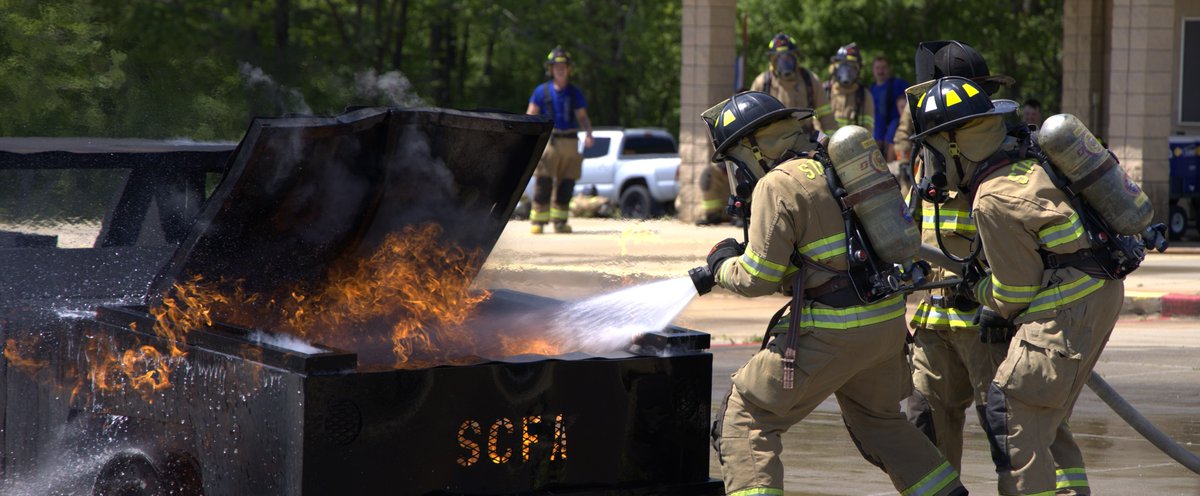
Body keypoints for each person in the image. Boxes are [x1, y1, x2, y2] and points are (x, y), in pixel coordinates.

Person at [694, 91, 965, 496]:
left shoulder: (777, 184)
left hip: (832, 330)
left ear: (755, 147)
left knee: (746, 418)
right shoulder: (832, 163)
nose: (739, 174)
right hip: (885, 325)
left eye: (737, 161)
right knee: (880, 422)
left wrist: (721, 264)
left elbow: (757, 278)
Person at [909, 76, 1126, 495]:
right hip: (1093, 292)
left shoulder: (991, 196)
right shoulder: (1021, 161)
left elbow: (1013, 294)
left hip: (1066, 305)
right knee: (1037, 420)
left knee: (1013, 415)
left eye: (934, 149)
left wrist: (975, 290)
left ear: (955, 144)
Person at [526, 45, 594, 234]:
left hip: (570, 140)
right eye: (556, 66)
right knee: (544, 180)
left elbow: (582, 116)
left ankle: (560, 221)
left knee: (567, 183)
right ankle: (538, 221)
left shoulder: (574, 92)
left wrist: (589, 133)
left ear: (569, 69)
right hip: (550, 140)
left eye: (563, 66)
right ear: (551, 69)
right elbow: (531, 114)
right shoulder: (541, 91)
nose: (560, 69)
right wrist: (529, 136)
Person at [749, 33, 836, 135]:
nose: (784, 63)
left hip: (804, 139)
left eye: (788, 57)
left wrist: (831, 141)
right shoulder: (762, 83)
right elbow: (751, 119)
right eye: (779, 59)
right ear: (772, 61)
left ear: (796, 58)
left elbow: (827, 117)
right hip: (773, 140)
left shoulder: (809, 80)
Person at [828, 42, 875, 131]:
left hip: (853, 140)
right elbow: (817, 123)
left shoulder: (864, 95)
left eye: (852, 67)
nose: (847, 71)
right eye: (843, 65)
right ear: (834, 68)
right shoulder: (825, 91)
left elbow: (867, 131)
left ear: (858, 70)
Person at [870, 56, 909, 161]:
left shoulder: (898, 84)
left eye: (883, 68)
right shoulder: (871, 89)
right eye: (877, 68)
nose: (880, 71)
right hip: (876, 134)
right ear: (873, 70)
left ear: (889, 69)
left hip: (895, 132)